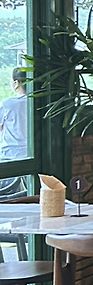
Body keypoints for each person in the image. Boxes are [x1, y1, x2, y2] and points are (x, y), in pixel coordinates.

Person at [0, 69, 28, 199]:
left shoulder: (7, 104)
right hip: (29, 155)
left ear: (16, 83)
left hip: (10, 156)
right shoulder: (37, 103)